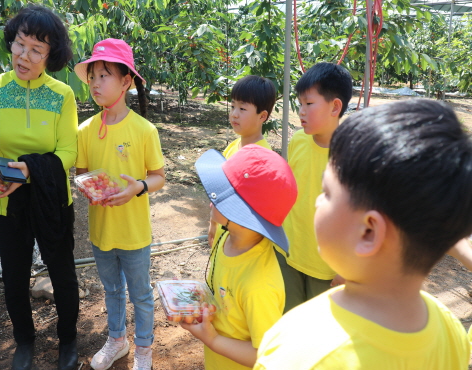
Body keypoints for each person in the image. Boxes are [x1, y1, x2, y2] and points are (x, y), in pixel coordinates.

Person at [255, 98, 472, 369]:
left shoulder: (295, 348)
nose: (316, 202)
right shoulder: (450, 331)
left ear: (369, 232)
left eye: (327, 193)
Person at [0, 5, 80, 370]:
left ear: (51, 56)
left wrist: (29, 171)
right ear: (12, 42)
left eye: (38, 50)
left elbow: (68, 151)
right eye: (21, 44)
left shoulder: (62, 95)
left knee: (62, 272)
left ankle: (68, 340)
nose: (26, 56)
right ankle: (24, 341)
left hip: (51, 201)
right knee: (15, 276)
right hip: (6, 201)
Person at [74, 38, 165, 370]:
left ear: (126, 81)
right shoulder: (84, 130)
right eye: (92, 76)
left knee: (141, 294)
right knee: (111, 290)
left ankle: (143, 348)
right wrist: (87, 187)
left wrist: (138, 187)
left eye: (104, 75)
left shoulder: (144, 130)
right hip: (101, 231)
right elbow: (82, 173)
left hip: (134, 232)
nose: (96, 83)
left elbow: (158, 176)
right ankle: (117, 340)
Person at [181, 144, 298, 370]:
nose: (210, 200)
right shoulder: (226, 237)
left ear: (240, 213)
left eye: (220, 196)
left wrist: (213, 340)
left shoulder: (259, 285)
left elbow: (266, 355)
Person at [276, 62, 352, 312]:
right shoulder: (298, 140)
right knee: (289, 322)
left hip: (327, 268)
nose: (301, 111)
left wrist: (347, 268)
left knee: (319, 332)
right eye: (300, 104)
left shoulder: (352, 155)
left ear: (335, 106)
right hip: (288, 253)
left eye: (309, 104)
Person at [207, 75, 277, 246]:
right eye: (232, 106)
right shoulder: (233, 147)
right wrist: (212, 223)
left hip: (243, 245)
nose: (234, 114)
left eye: (242, 109)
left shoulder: (263, 161)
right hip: (223, 238)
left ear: (262, 116)